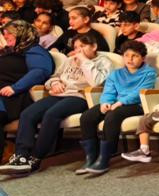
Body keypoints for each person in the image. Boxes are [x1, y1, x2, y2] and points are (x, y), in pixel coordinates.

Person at [0, 33, 111, 174]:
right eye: (76, 47)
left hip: (80, 97)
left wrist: (84, 61)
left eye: (83, 46)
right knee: (28, 114)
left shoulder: (103, 61)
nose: (79, 50)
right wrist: (54, 83)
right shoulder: (69, 60)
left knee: (51, 114)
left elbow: (96, 82)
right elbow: (53, 77)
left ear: (94, 46)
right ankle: (21, 156)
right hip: (59, 94)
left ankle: (36, 157)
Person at [77, 40, 157, 176]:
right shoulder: (116, 73)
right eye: (126, 55)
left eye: (135, 56)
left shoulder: (149, 73)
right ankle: (91, 158)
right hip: (115, 103)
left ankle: (104, 159)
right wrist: (105, 102)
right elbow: (108, 90)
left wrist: (121, 102)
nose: (130, 59)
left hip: (137, 105)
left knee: (113, 116)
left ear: (143, 58)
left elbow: (139, 92)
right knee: (87, 117)